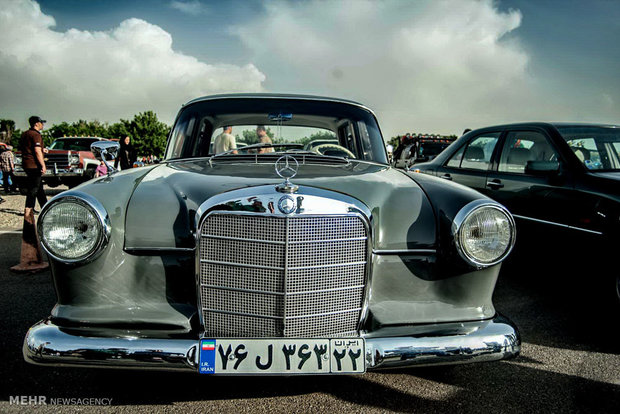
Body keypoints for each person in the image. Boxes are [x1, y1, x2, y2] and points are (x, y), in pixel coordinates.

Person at [20, 115, 48, 211]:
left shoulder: (25, 134)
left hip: (26, 163)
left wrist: (42, 149)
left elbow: (29, 148)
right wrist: (43, 165)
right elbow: (36, 151)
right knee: (34, 188)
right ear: (36, 124)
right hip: (34, 164)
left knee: (39, 188)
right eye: (41, 123)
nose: (43, 125)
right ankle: (29, 209)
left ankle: (45, 207)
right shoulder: (36, 135)